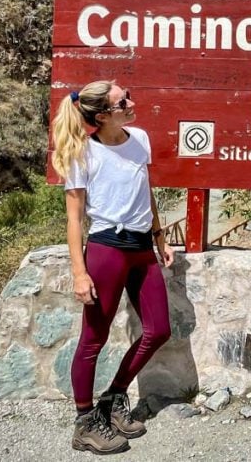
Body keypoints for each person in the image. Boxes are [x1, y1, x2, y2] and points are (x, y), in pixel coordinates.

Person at [51, 80, 174, 454]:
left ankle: (115, 395)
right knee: (93, 339)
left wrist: (159, 237)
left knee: (159, 330)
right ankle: (85, 421)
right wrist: (78, 271)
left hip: (141, 247)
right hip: (107, 249)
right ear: (103, 116)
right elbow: (74, 220)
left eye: (129, 94)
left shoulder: (140, 139)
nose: (132, 102)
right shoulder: (82, 153)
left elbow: (145, 190)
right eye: (123, 101)